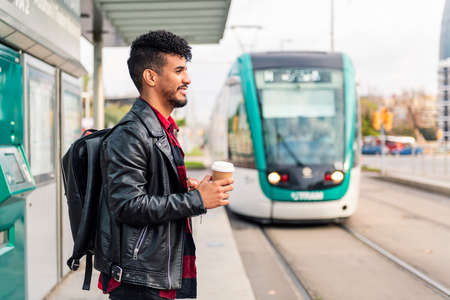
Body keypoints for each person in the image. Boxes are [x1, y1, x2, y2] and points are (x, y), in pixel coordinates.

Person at [95, 30, 234, 300]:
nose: (188, 79)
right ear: (151, 77)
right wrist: (196, 200)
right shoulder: (132, 133)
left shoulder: (162, 128)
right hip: (140, 282)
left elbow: (150, 190)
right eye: (179, 70)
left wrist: (188, 190)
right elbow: (127, 205)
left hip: (158, 273)